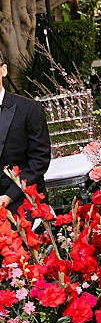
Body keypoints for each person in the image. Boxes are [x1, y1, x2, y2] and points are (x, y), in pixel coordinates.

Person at [0, 51, 51, 218]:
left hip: (21, 198)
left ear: (3, 70)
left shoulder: (29, 109)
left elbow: (39, 160)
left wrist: (7, 198)